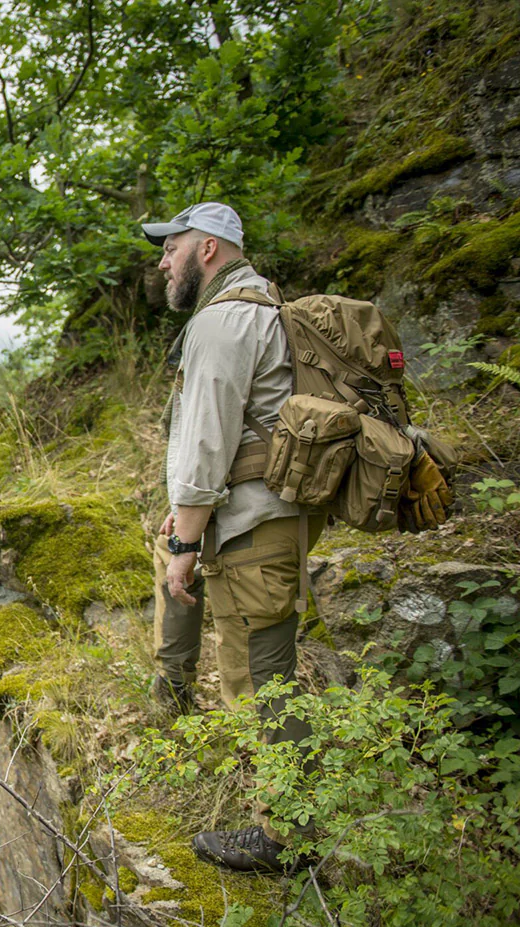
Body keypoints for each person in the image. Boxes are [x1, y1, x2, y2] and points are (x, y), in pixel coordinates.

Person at [142, 202, 324, 874]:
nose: (163, 262)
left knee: (260, 681)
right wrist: (189, 523)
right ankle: (286, 817)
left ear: (209, 249)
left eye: (172, 248)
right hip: (257, 523)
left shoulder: (221, 321)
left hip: (250, 531)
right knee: (262, 673)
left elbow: (206, 442)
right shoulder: (261, 305)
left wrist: (184, 548)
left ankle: (286, 836)